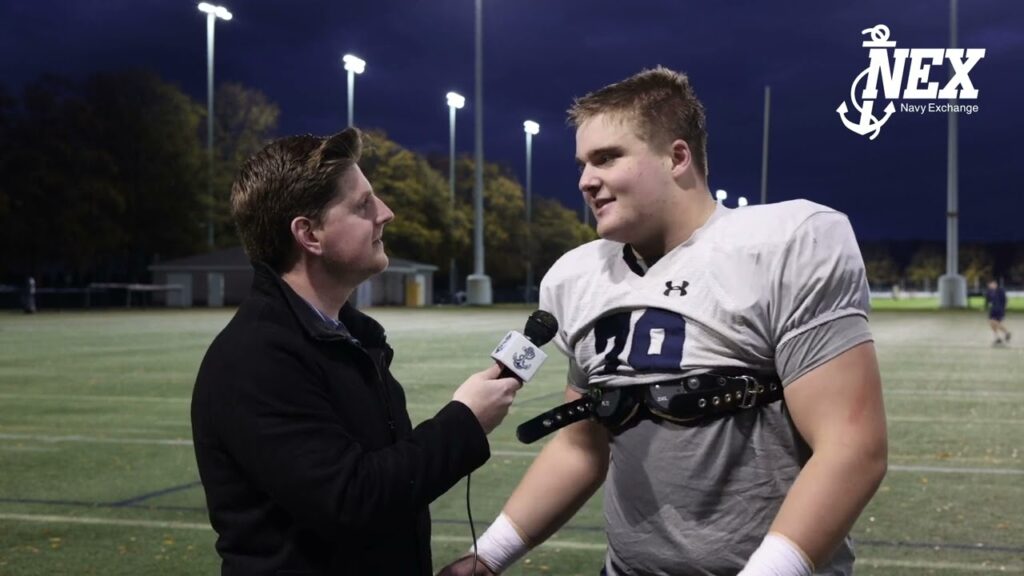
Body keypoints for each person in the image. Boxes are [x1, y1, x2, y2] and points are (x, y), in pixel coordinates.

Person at [440, 67, 888, 576]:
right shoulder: (577, 278)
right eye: (583, 163)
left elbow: (852, 447)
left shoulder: (786, 243)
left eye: (607, 157)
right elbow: (581, 448)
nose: (586, 180)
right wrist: (487, 558)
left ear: (677, 157)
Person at [191, 127, 521, 576]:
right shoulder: (255, 357)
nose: (386, 213)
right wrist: (465, 421)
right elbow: (351, 499)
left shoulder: (350, 338)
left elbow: (379, 504)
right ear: (309, 234)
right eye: (362, 205)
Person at [984, 279, 1011, 345]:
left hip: (1000, 309)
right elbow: (987, 301)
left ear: (995, 284)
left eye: (991, 284)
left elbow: (1005, 300)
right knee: (992, 324)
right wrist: (985, 307)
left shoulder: (1000, 290)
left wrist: (1004, 308)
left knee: (995, 322)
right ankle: (997, 338)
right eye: (989, 285)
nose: (990, 286)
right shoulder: (989, 292)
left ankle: (1006, 332)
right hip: (993, 310)